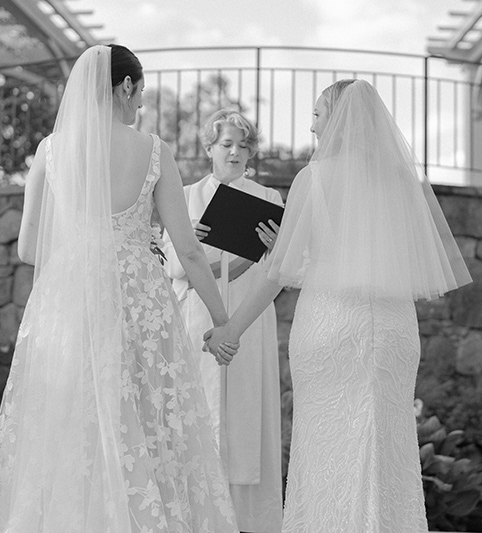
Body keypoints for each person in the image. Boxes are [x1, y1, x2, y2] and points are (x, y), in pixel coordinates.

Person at [0, 44, 239, 532]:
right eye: (139, 96)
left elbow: (28, 248)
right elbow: (189, 250)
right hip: (140, 298)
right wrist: (222, 322)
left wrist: (82, 254)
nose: (140, 107)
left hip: (67, 300)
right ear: (125, 87)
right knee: (147, 420)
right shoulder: (153, 150)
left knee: (71, 419)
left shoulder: (51, 150)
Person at [204, 79, 472, 532]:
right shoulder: (400, 181)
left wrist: (232, 330)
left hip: (331, 328)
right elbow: (378, 261)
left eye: (317, 115)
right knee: (388, 453)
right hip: (393, 331)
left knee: (328, 449)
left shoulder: (316, 177)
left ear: (340, 121)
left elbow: (277, 273)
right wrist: (290, 254)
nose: (311, 126)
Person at [161, 109, 283, 533]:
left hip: (250, 317)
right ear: (210, 148)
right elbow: (173, 268)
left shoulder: (269, 199)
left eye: (243, 144)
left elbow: (283, 269)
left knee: (248, 409)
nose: (234, 151)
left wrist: (270, 250)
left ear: (252, 151)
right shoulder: (187, 195)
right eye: (226, 144)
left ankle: (248, 520)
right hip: (199, 316)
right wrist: (190, 243)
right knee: (201, 408)